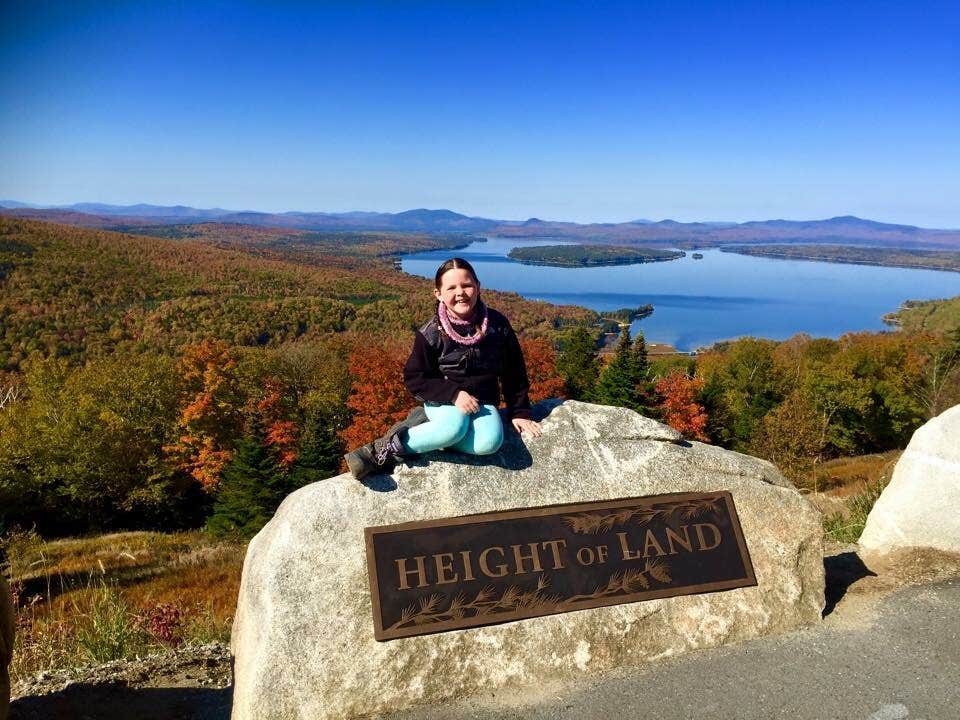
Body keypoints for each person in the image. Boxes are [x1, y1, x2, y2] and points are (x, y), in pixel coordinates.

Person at [345, 257, 542, 480]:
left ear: (478, 287)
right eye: (451, 287)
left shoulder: (497, 325)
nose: (461, 293)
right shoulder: (431, 333)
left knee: (489, 443)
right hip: (443, 401)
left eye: (467, 285)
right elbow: (415, 378)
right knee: (453, 427)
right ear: (438, 294)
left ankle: (432, 437)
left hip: (483, 403)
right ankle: (382, 450)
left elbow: (514, 370)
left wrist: (519, 412)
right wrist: (454, 394)